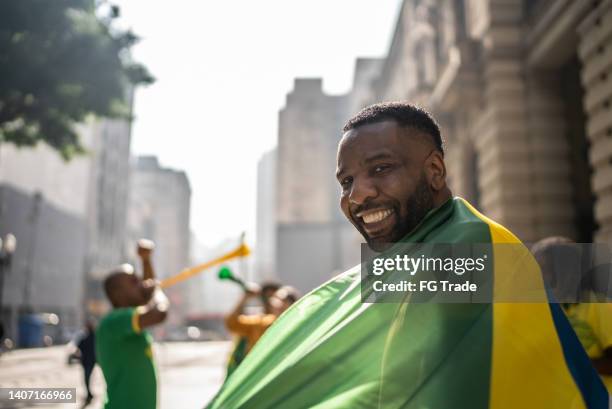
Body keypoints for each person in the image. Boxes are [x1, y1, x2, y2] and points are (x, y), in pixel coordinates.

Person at [207, 102, 608, 409]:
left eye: (380, 169)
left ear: (435, 171)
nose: (357, 194)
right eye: (346, 181)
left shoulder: (468, 244)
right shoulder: (406, 260)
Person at [533, 236, 612, 394]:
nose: (540, 277)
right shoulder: (545, 309)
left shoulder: (601, 306)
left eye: (545, 269)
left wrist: (570, 364)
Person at [96, 240, 169, 409]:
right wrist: (157, 290)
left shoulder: (128, 319)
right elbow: (158, 313)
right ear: (117, 294)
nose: (142, 284)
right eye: (134, 282)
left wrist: (146, 259)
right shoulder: (115, 321)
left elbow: (146, 297)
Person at [225, 281, 281, 376]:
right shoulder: (259, 322)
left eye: (276, 298)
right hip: (258, 372)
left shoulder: (296, 319)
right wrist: (245, 297)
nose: (271, 302)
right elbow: (232, 323)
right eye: (267, 298)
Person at [225, 285, 299, 355]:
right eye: (276, 298)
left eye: (286, 300)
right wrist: (245, 298)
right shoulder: (261, 323)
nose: (279, 303)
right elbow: (232, 323)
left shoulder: (297, 326)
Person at [77, 320, 96, 405]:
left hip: (87, 362)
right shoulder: (94, 337)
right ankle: (89, 394)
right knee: (87, 379)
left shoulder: (87, 337)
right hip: (91, 361)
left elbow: (79, 346)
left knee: (87, 379)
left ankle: (89, 395)